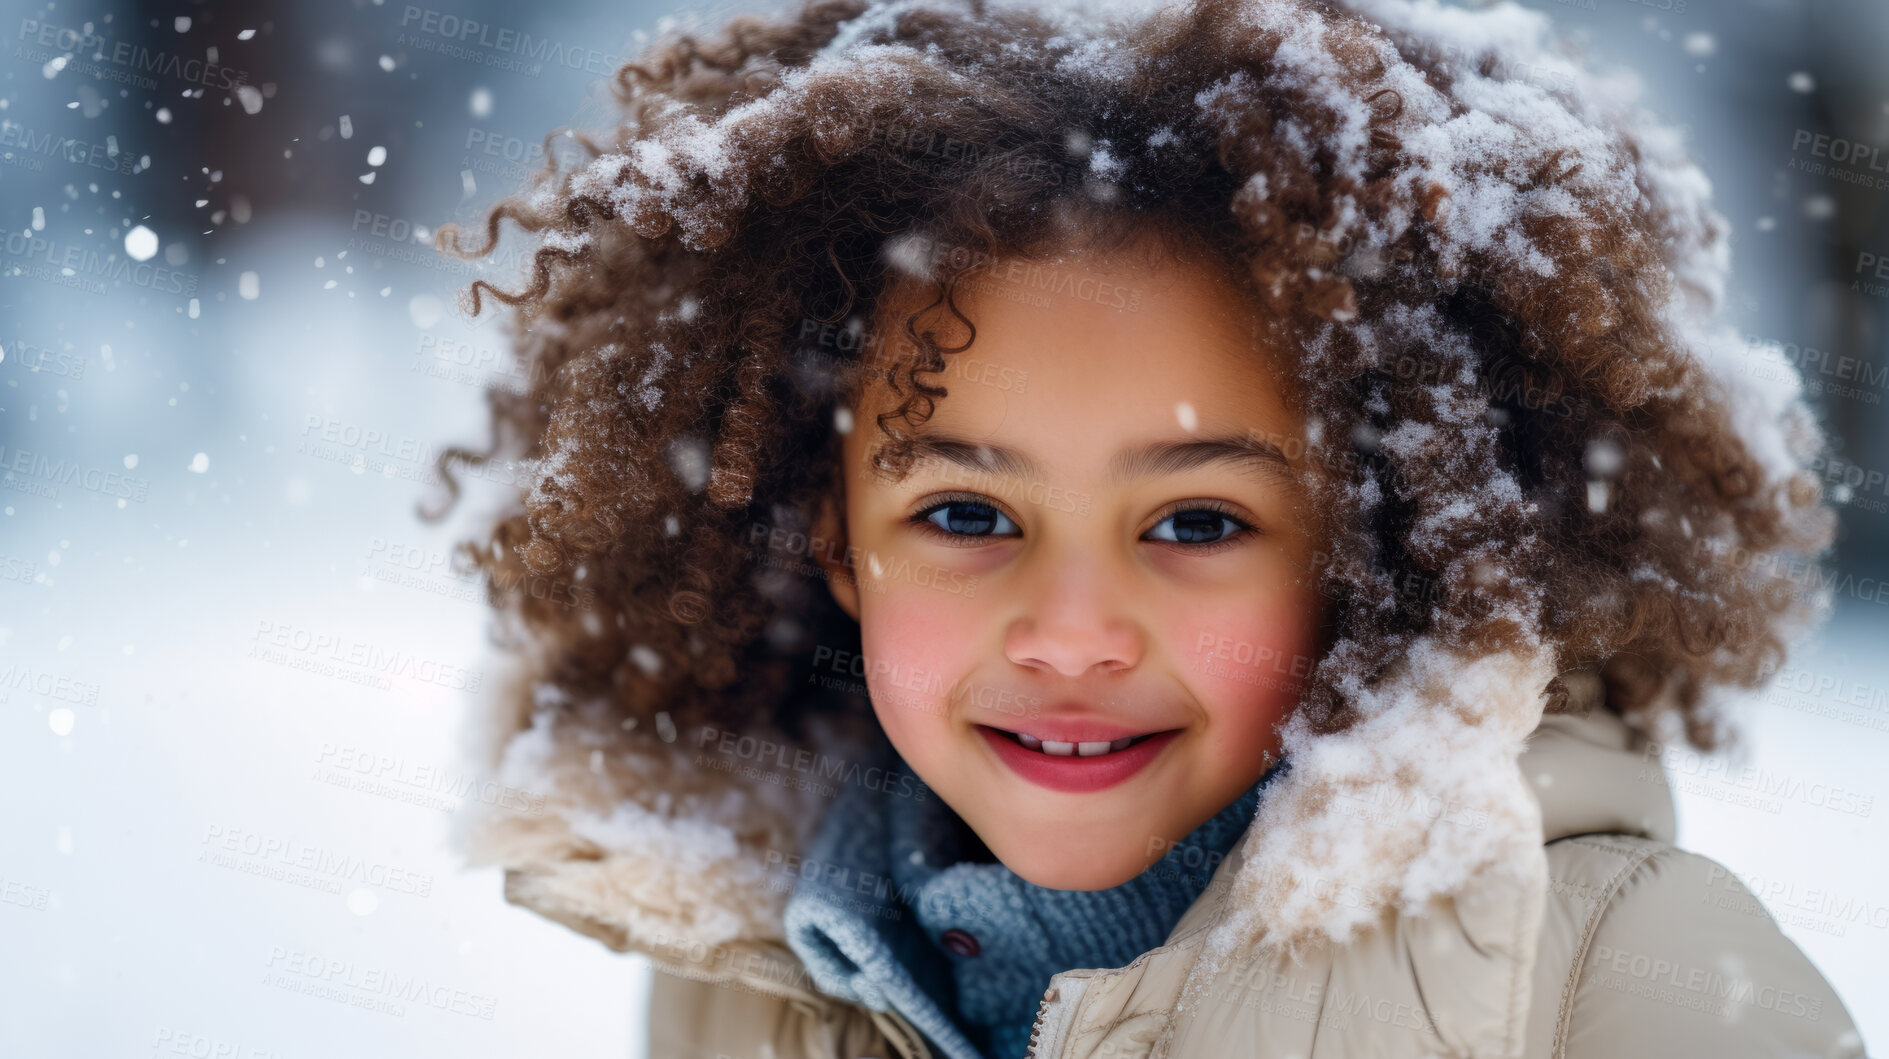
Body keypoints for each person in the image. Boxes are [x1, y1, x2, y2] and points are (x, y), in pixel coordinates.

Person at [439, 0, 1867, 1054]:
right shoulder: (739, 977)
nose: (1070, 634)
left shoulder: (1617, 985)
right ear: (834, 543)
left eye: (1192, 521)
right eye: (962, 511)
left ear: (1368, 555)